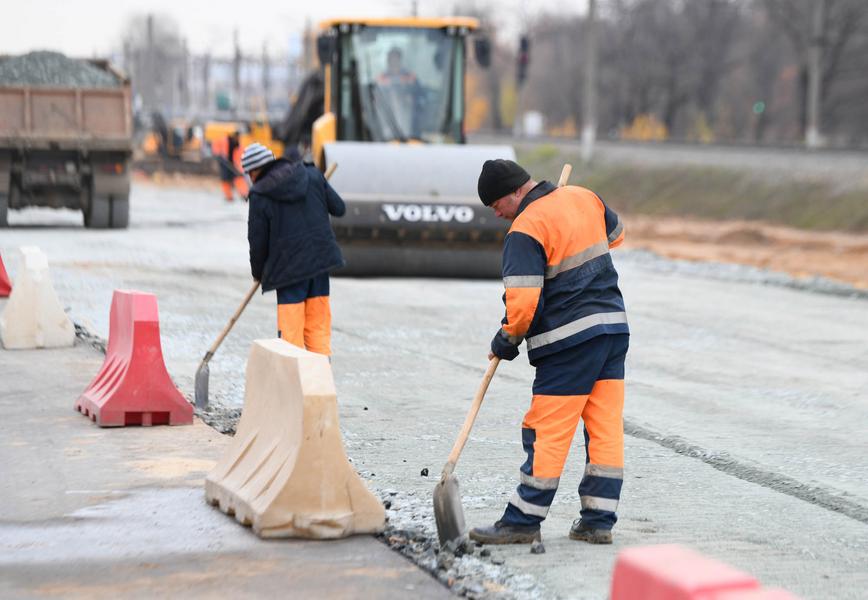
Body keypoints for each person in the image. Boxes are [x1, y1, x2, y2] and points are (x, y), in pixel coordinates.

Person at [469, 159, 629, 546]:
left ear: (515, 193)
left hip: (568, 342)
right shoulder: (583, 197)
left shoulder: (524, 229)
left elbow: (522, 306)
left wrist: (506, 339)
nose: (497, 214)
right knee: (604, 426)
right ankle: (598, 520)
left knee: (548, 431)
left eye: (496, 206)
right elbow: (616, 235)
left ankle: (522, 521)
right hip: (612, 328)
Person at [242, 142, 346, 355]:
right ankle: (319, 384)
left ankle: (296, 387)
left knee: (291, 340)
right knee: (318, 331)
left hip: (288, 272)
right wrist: (320, 187)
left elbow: (257, 240)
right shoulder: (312, 174)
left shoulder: (260, 194)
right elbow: (339, 208)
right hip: (319, 265)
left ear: (253, 172)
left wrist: (258, 273)